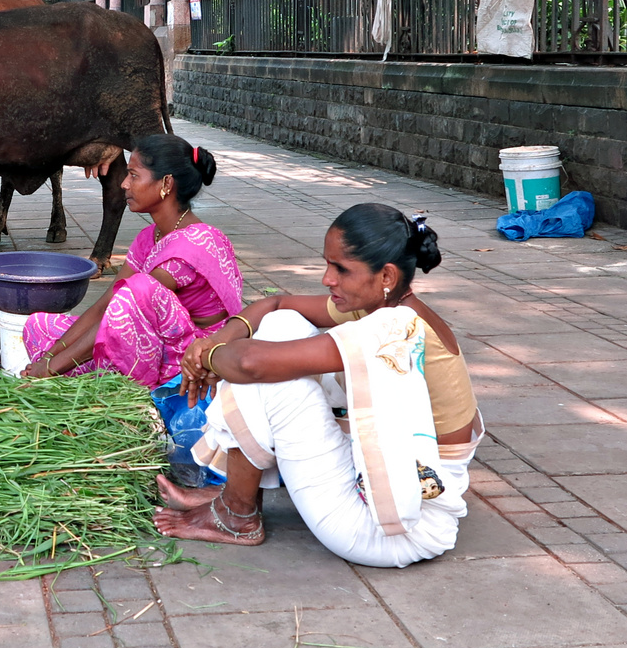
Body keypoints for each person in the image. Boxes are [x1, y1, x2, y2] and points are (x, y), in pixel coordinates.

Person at [152, 203, 481, 565]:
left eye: (340, 269)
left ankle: (236, 513)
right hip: (384, 486)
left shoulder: (393, 329)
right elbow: (276, 304)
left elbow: (250, 364)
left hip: (399, 528)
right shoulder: (384, 306)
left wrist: (207, 358)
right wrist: (216, 342)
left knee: (269, 374)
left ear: (386, 277)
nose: (327, 279)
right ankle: (235, 496)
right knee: (282, 327)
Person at [20, 134, 243, 389]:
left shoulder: (188, 248)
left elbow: (121, 310)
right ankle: (69, 379)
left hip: (188, 359)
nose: (125, 184)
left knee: (136, 291)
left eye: (134, 175)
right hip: (149, 338)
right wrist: (50, 356)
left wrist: (51, 367)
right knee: (39, 326)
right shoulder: (151, 236)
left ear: (166, 183)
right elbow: (106, 304)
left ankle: (115, 390)